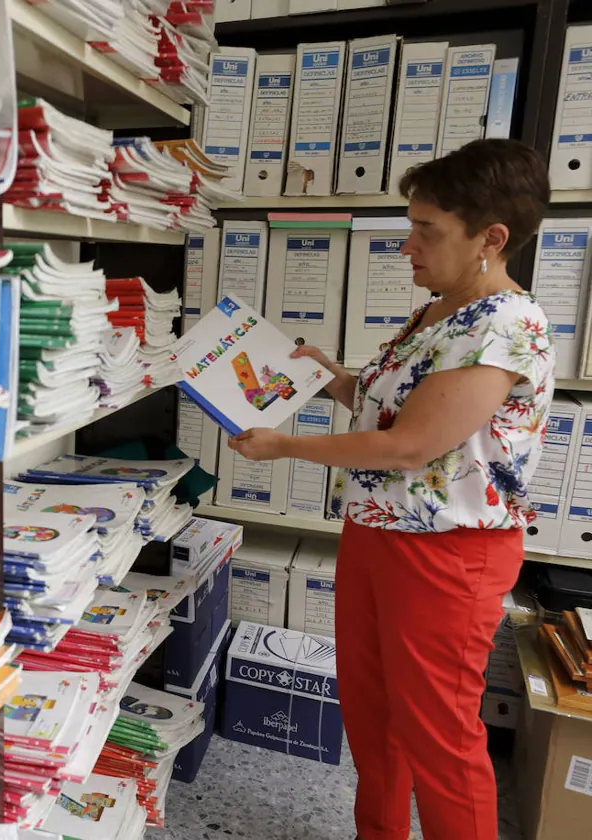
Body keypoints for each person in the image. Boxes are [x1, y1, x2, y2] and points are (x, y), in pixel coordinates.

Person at [228, 138, 555, 840]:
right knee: (373, 717)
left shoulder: (505, 326)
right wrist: (331, 376)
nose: (406, 245)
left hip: (448, 555)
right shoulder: (439, 311)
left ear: (489, 240)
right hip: (379, 534)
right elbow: (397, 411)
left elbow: (411, 445)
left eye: (426, 230)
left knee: (439, 738)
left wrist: (282, 445)